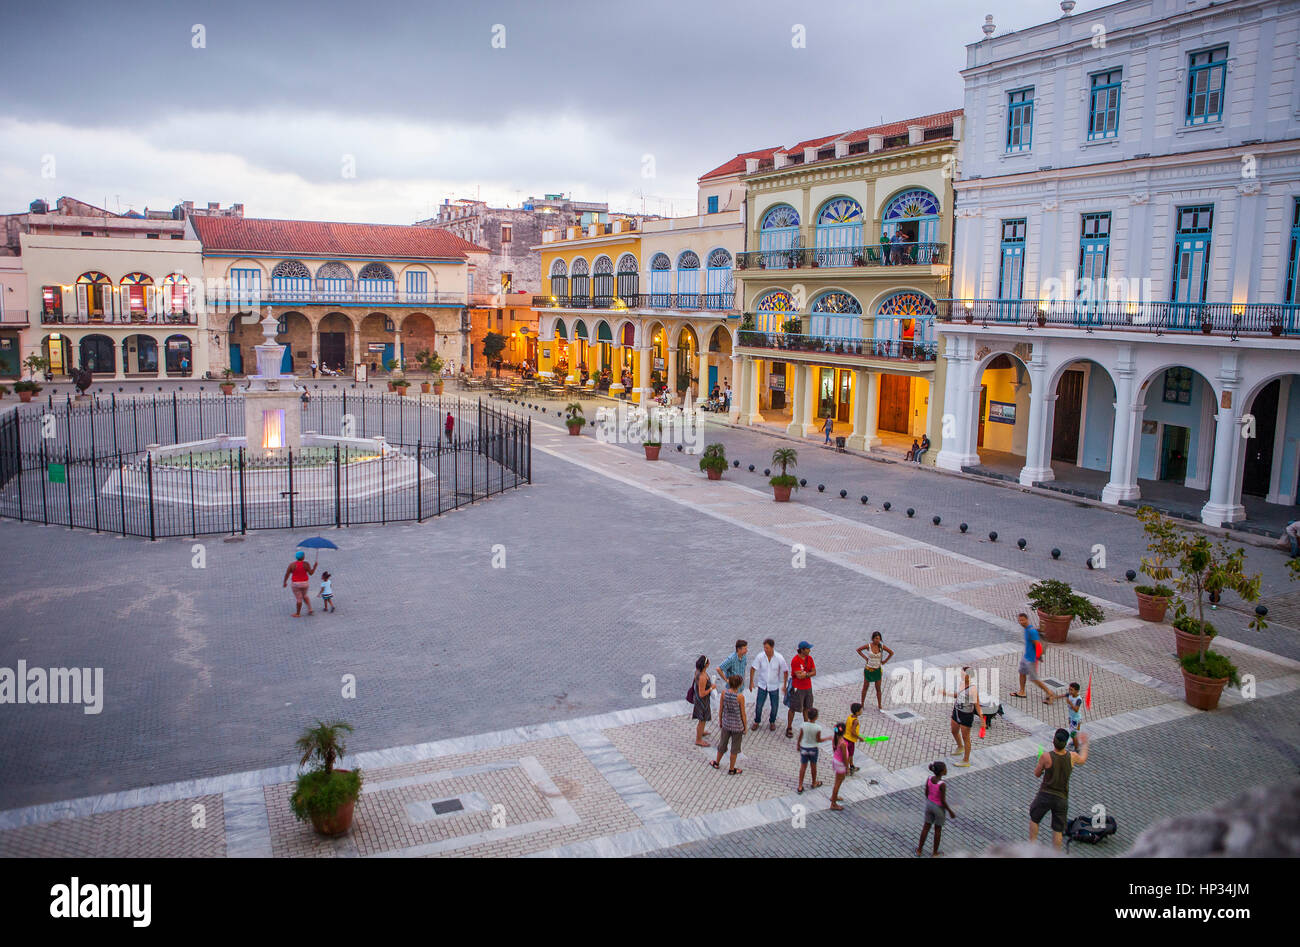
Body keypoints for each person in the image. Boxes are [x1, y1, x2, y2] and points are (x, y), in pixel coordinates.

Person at [1030, 730, 1090, 849]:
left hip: (1045, 795)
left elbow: (1036, 773)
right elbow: (1083, 759)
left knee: (1034, 819)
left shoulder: (1046, 756)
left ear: (1053, 741)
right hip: (1062, 798)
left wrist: (1042, 768)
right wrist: (1085, 744)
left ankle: (1031, 849)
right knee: (1057, 829)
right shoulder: (1072, 756)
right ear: (1065, 743)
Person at [1010, 613, 1057, 703]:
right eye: (1019, 620)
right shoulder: (1027, 630)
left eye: (1023, 620)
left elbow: (1038, 645)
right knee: (1021, 672)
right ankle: (1022, 692)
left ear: (1027, 620)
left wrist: (1038, 657)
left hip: (1031, 659)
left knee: (1034, 678)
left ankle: (1049, 692)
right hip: (1026, 656)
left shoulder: (1032, 631)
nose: (1021, 622)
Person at [942, 665, 981, 768]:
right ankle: (960, 747)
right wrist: (946, 694)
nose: (961, 676)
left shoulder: (972, 689)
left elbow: (977, 704)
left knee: (966, 737)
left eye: (962, 674)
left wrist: (983, 719)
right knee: (954, 731)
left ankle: (966, 760)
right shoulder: (961, 684)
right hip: (957, 711)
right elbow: (957, 695)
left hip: (966, 715)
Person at [711, 674, 747, 775]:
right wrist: (745, 727)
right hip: (737, 726)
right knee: (734, 749)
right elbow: (743, 714)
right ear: (739, 685)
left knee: (722, 744)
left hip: (726, 723)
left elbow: (721, 709)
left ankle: (716, 762)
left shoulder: (723, 693)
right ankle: (731, 769)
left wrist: (721, 721)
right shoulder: (740, 697)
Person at [917, 761, 956, 856]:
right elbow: (943, 800)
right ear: (942, 772)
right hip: (938, 808)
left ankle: (919, 850)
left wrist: (929, 801)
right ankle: (934, 853)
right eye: (945, 769)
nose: (946, 770)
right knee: (937, 830)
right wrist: (950, 811)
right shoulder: (942, 784)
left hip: (929, 805)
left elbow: (926, 792)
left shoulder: (929, 779)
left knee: (926, 828)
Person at [749, 638, 788, 732]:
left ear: (772, 647)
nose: (765, 650)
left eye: (767, 648)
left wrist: (784, 685)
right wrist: (751, 682)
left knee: (774, 706)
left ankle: (772, 721)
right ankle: (757, 721)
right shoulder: (760, 656)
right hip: (762, 685)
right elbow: (753, 668)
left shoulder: (779, 658)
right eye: (764, 648)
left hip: (774, 686)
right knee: (759, 705)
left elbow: (785, 671)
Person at [785, 641, 816, 738]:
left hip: (808, 687)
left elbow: (814, 672)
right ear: (802, 650)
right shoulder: (795, 660)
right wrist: (808, 674)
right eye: (808, 648)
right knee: (793, 708)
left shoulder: (809, 658)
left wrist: (805, 674)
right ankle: (789, 727)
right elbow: (799, 676)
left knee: (807, 708)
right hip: (797, 688)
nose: (809, 650)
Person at [796, 706, 830, 794]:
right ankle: (814, 782)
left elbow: (800, 736)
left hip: (804, 748)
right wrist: (827, 738)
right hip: (813, 749)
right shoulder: (817, 728)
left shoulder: (803, 725)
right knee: (813, 766)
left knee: (803, 767)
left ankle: (800, 785)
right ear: (816, 717)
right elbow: (818, 740)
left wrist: (798, 744)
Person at [856, 631, 894, 710]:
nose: (877, 640)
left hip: (877, 670)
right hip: (868, 670)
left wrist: (884, 661)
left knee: (878, 688)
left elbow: (891, 652)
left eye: (879, 639)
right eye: (876, 638)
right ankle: (862, 704)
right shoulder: (868, 646)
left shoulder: (881, 647)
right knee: (865, 687)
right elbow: (858, 650)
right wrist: (866, 658)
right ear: (872, 638)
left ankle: (879, 705)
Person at [282, 550, 316, 617]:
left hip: (295, 584)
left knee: (299, 598)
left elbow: (287, 574)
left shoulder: (292, 565)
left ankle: (298, 613)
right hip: (305, 583)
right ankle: (310, 609)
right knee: (305, 595)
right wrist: (314, 567)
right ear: (303, 557)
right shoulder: (306, 564)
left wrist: (285, 582)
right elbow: (311, 573)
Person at [691, 655, 714, 747]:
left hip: (699, 700)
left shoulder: (697, 672)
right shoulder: (703, 677)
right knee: (702, 720)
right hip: (702, 702)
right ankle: (698, 739)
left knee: (702, 720)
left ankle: (701, 732)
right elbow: (702, 693)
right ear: (706, 665)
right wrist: (711, 688)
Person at [829, 723, 849, 810]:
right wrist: (847, 767)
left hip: (836, 761)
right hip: (841, 764)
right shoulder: (843, 744)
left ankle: (834, 796)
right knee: (838, 783)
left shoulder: (835, 738)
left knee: (839, 780)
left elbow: (834, 749)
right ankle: (833, 803)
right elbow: (845, 757)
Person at [1059, 681, 1083, 750]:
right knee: (1073, 732)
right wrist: (1053, 697)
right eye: (1069, 689)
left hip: (1076, 719)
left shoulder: (1078, 700)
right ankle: (1074, 742)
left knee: (1073, 733)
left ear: (1077, 691)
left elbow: (1076, 709)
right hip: (1071, 717)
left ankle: (1077, 748)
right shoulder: (1069, 695)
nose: (1069, 691)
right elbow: (1062, 696)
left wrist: (1070, 703)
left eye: (1071, 690)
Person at [844, 702, 863, 774]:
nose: (862, 711)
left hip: (845, 738)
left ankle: (851, 765)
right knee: (849, 755)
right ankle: (847, 769)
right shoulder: (855, 721)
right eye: (861, 710)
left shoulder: (850, 717)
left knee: (850, 754)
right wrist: (859, 737)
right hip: (850, 741)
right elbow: (853, 732)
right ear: (857, 712)